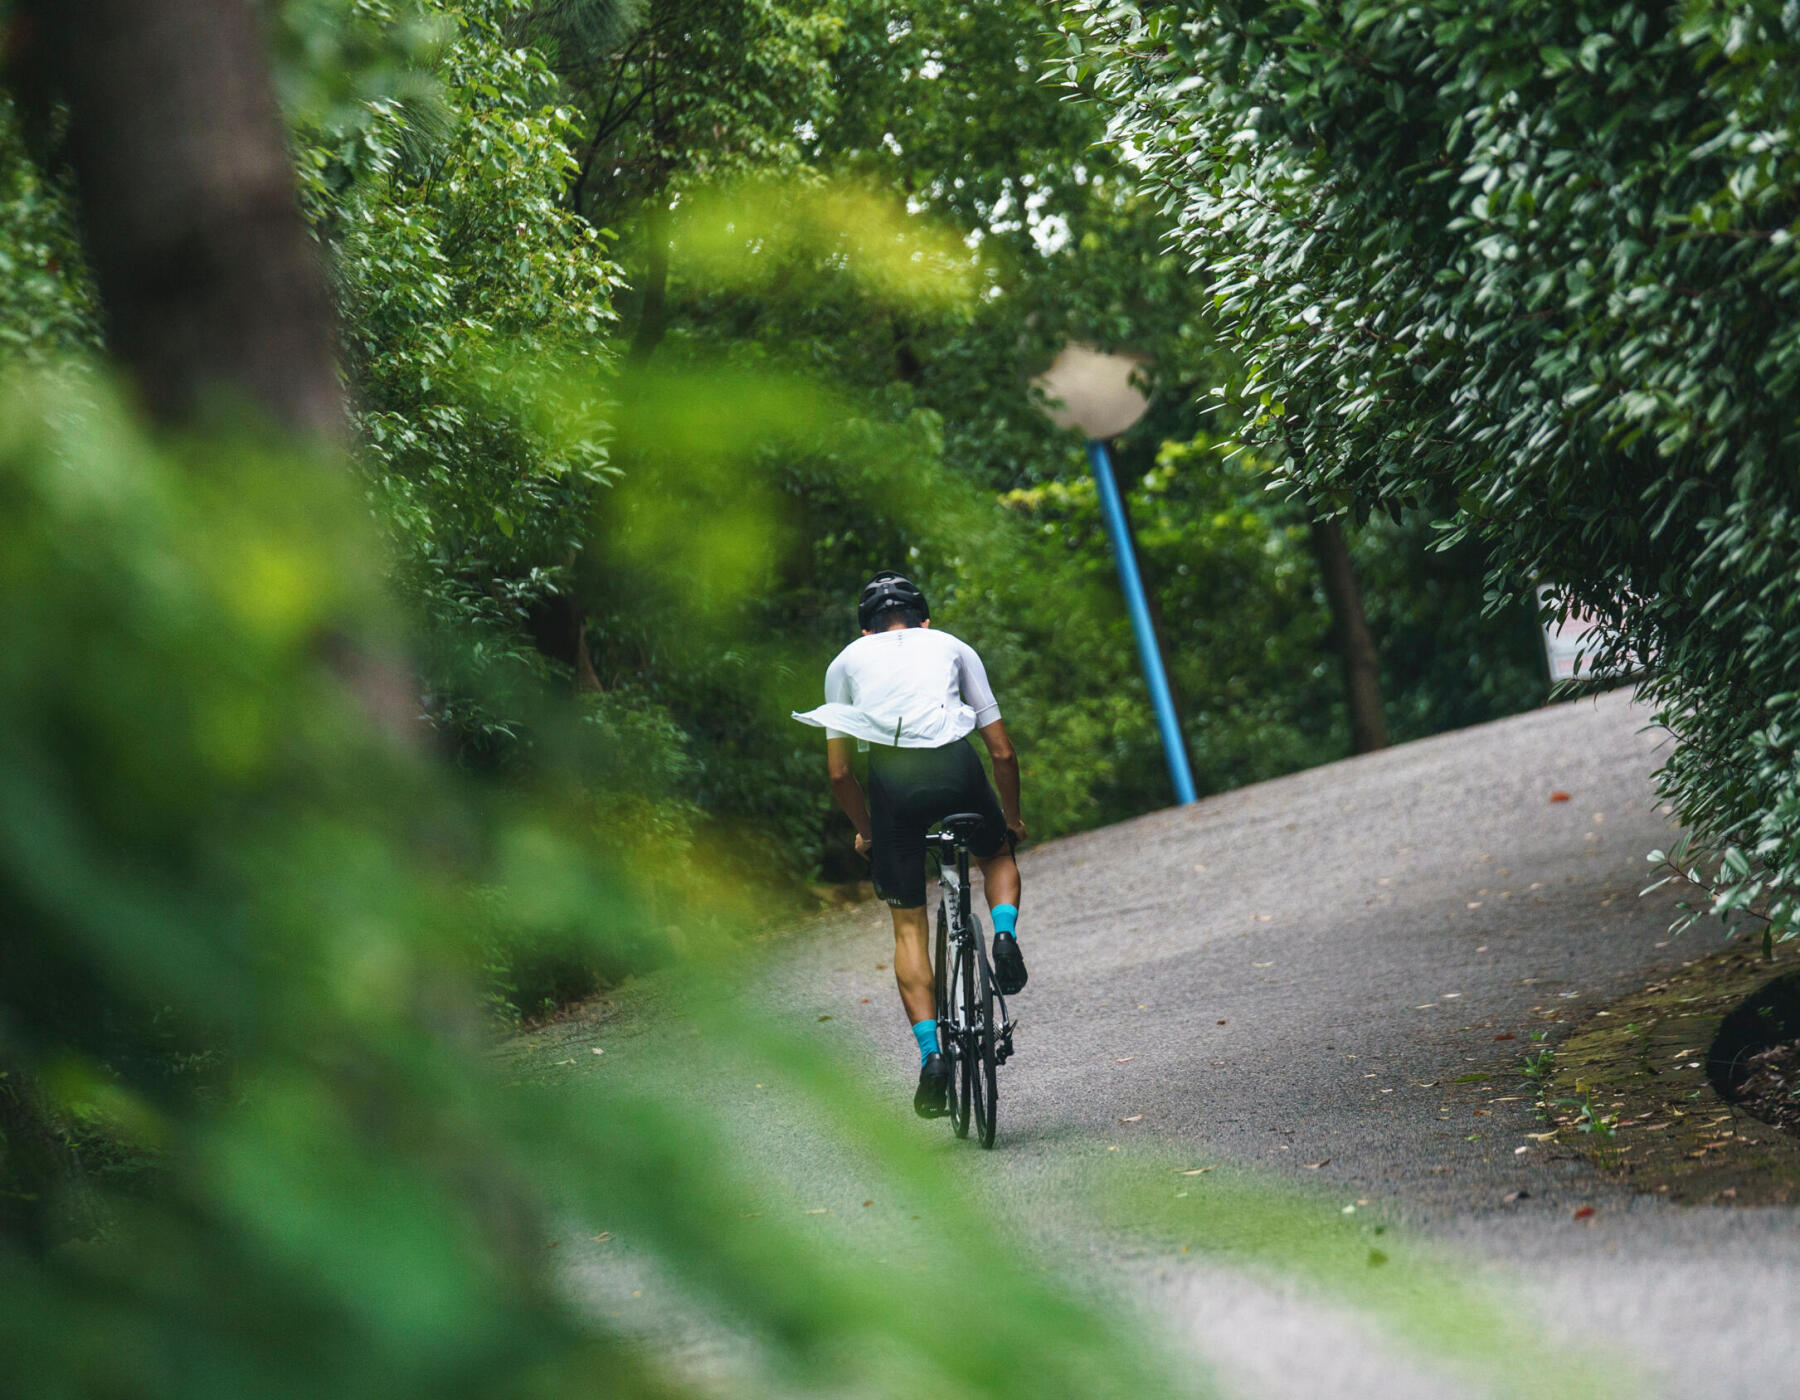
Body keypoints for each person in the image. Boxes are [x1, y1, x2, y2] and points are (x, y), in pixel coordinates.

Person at [793, 571, 1027, 1118]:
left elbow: (838, 774)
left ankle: (931, 1058)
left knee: (907, 926)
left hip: (893, 786)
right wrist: (1011, 819)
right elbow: (1002, 753)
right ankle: (1005, 933)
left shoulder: (846, 661)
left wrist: (870, 833)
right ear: (925, 619)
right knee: (995, 855)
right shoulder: (951, 646)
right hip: (955, 768)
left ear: (866, 631)